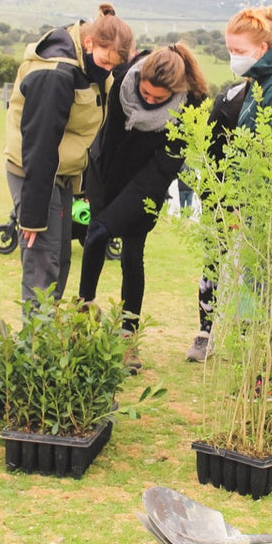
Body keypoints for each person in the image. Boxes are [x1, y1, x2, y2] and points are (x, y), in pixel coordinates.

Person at [79, 44, 208, 372]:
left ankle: (127, 337)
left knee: (132, 257)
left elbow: (163, 168)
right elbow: (108, 138)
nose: (149, 101)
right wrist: (100, 201)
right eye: (145, 94)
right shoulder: (123, 80)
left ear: (175, 91)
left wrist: (118, 214)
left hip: (147, 185)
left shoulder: (190, 106)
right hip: (105, 172)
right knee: (92, 238)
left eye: (157, 99)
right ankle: (83, 312)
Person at [186, 5, 272, 362]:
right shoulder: (258, 83)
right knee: (258, 288)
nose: (233, 58)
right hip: (247, 204)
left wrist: (244, 203)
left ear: (263, 49)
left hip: (266, 208)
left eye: (239, 51)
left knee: (270, 291)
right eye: (230, 50)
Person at [4, 3, 134, 305]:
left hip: (62, 172)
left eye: (112, 66)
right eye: (103, 61)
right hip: (35, 172)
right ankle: (36, 346)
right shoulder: (56, 74)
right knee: (42, 257)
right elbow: (40, 144)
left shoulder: (91, 64)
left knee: (61, 255)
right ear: (88, 43)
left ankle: (50, 336)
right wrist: (32, 216)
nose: (105, 70)